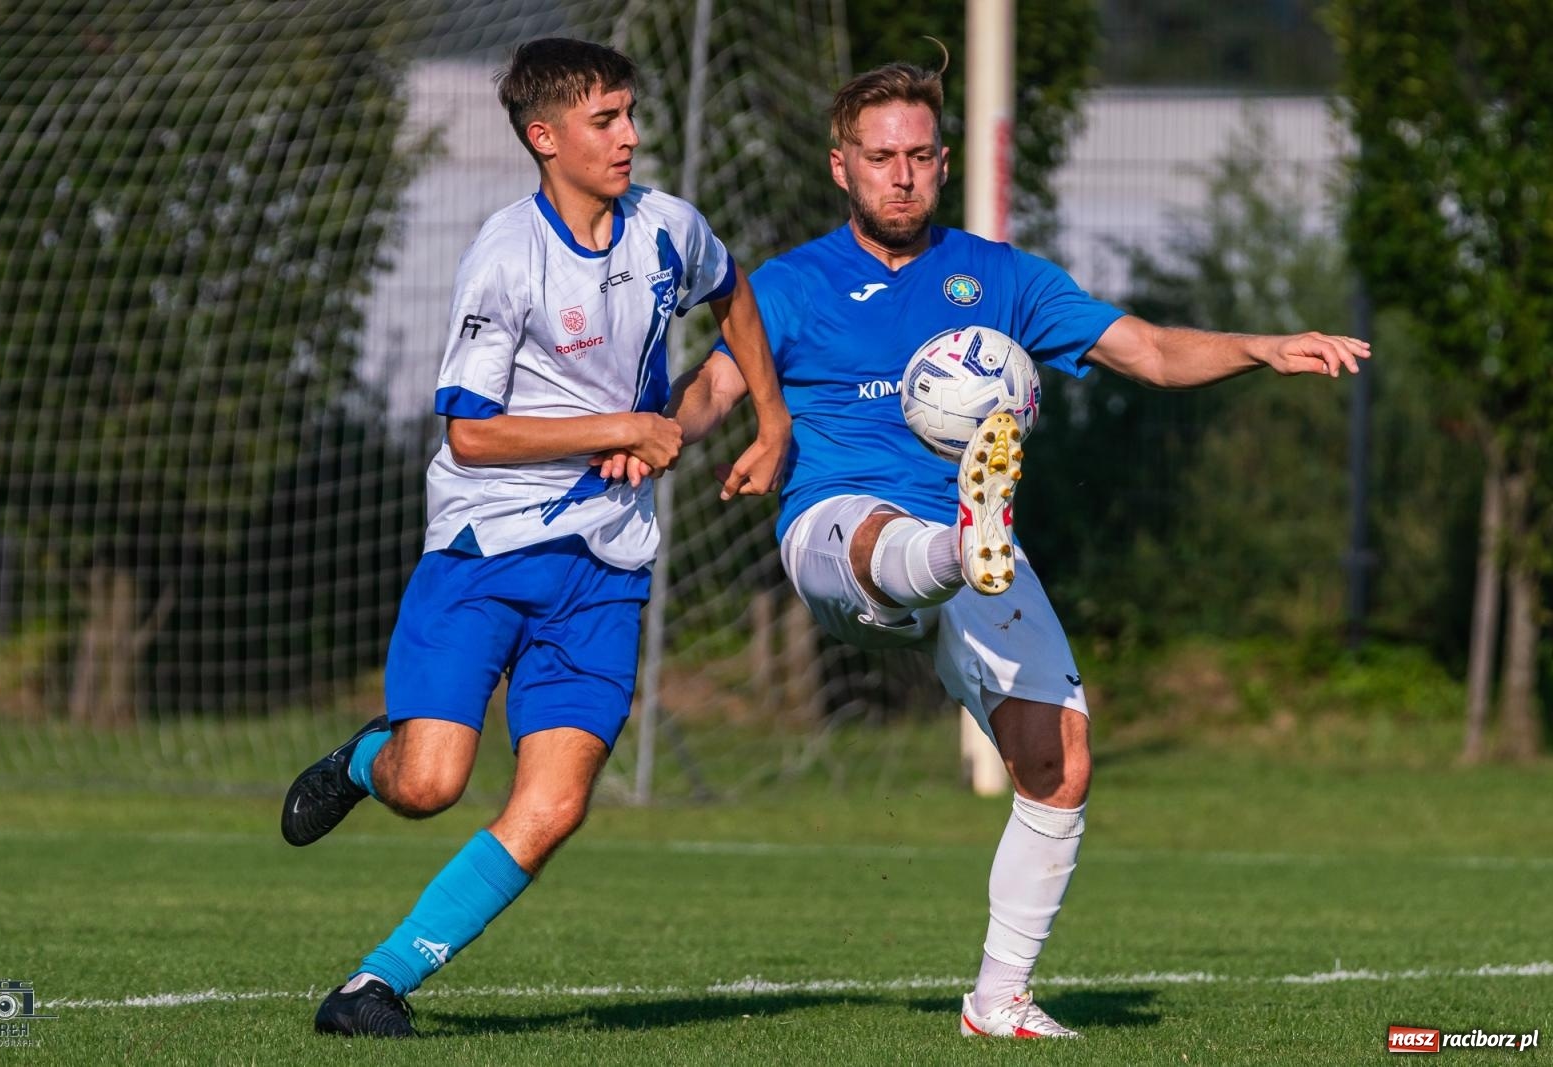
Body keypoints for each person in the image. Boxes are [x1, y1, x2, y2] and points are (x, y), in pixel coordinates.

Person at [666, 61, 1368, 1039]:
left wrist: (1260, 345)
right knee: (880, 538)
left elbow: (1152, 351)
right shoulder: (787, 286)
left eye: (918, 157)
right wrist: (655, 440)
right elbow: (709, 391)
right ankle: (960, 541)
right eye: (879, 158)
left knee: (1059, 759)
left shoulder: (1002, 278)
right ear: (841, 167)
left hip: (972, 545)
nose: (900, 176)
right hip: (835, 526)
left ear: (944, 162)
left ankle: (997, 999)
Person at [279, 37, 789, 1038]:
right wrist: (623, 428)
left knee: (553, 806)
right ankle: (364, 758)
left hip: (604, 569)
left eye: (631, 113)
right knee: (429, 784)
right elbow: (469, 431)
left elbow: (733, 294)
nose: (631, 136)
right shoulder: (506, 256)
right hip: (485, 549)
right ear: (545, 138)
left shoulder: (665, 230)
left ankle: (372, 985)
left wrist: (770, 425)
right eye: (606, 120)